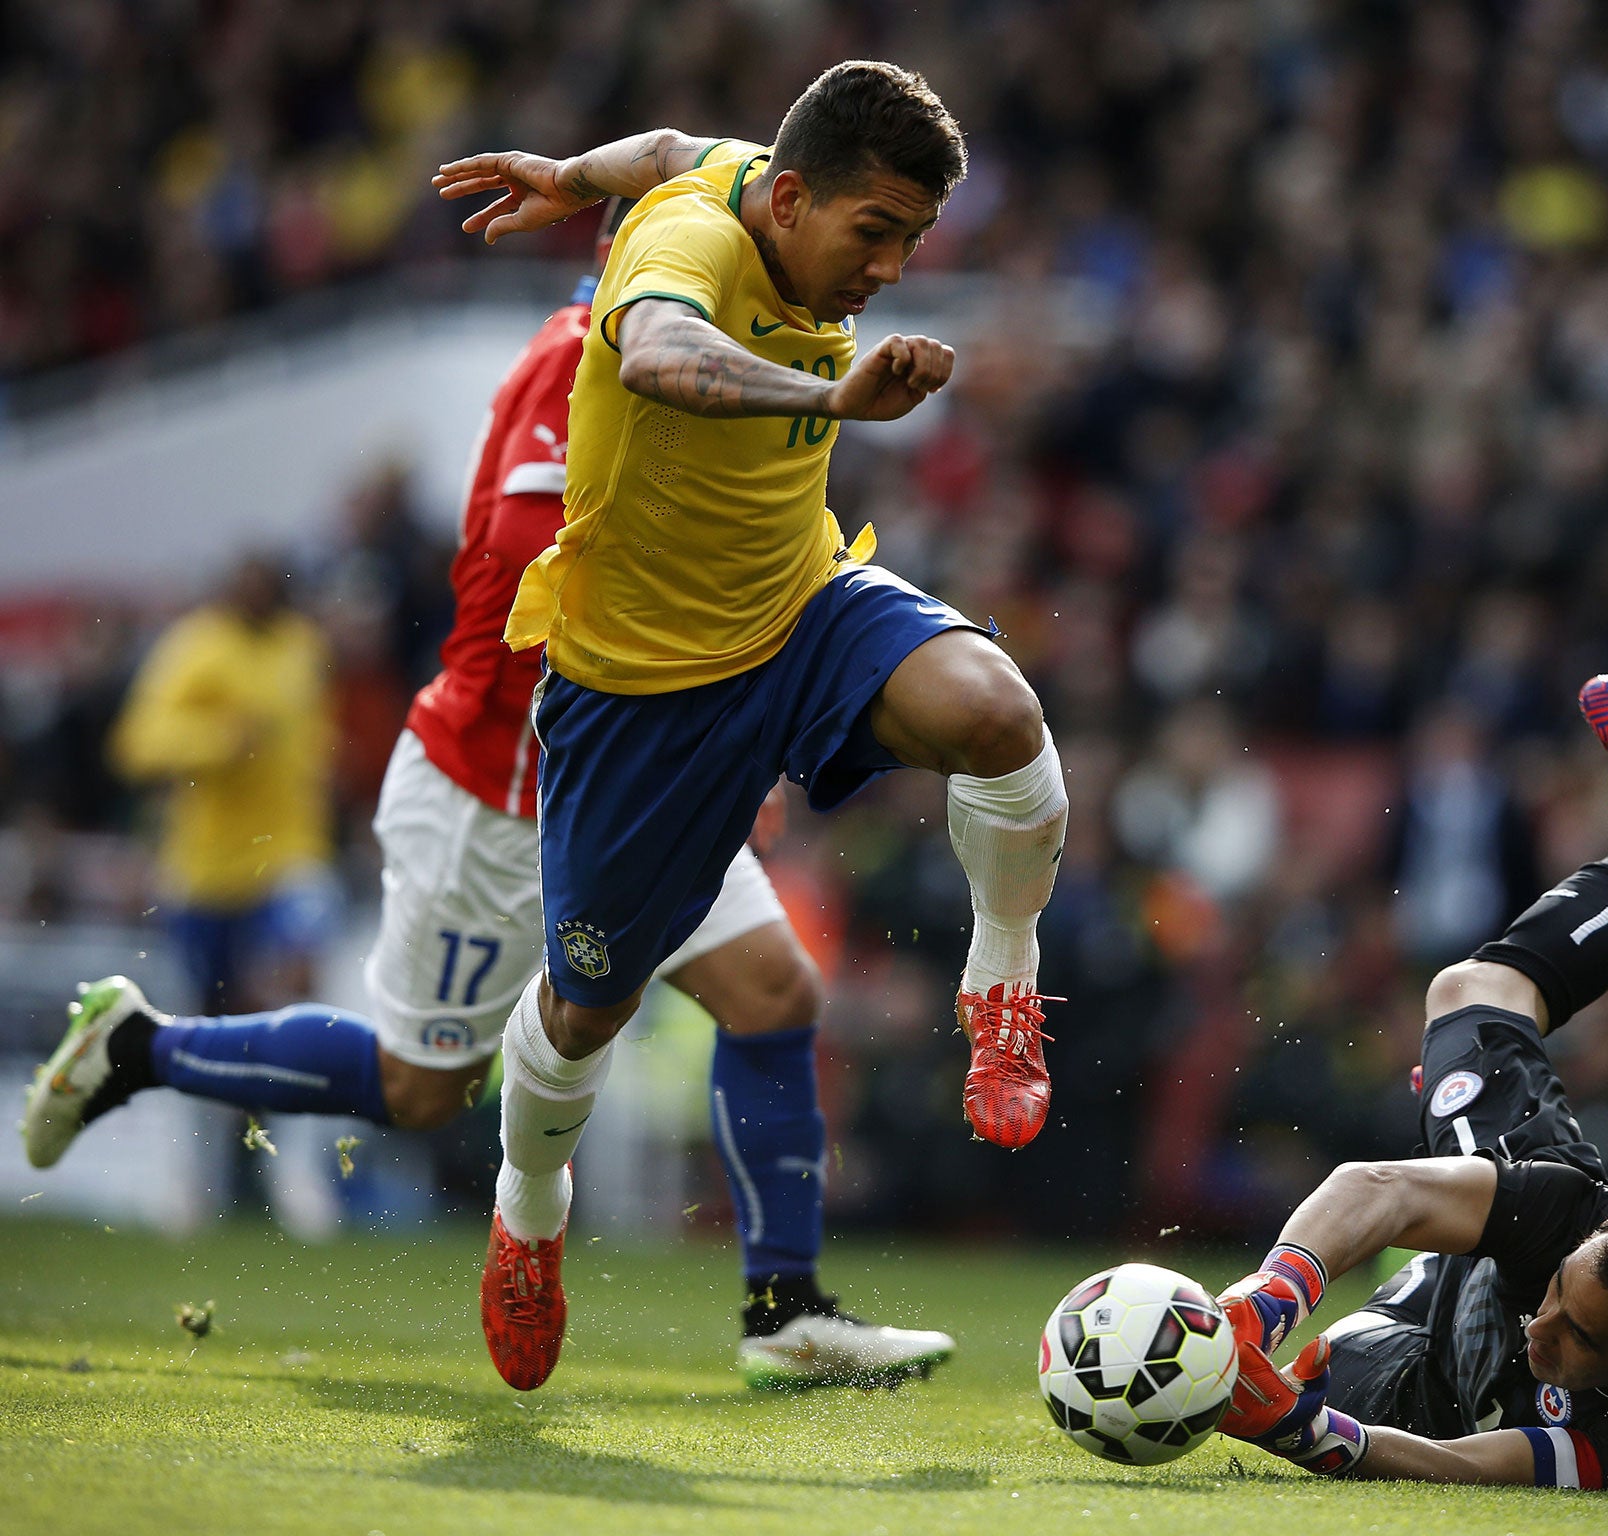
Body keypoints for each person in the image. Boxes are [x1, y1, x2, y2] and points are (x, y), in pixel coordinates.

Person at [20, 201, 953, 1392]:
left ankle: (784, 1309)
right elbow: (526, 556)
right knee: (421, 1088)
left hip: (644, 777)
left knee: (773, 991)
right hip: (503, 800)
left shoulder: (725, 358)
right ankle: (139, 1048)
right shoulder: (581, 359)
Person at [430, 60, 1068, 1392]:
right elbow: (660, 354)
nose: (889, 267)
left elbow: (664, 139)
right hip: (639, 692)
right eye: (873, 233)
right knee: (583, 1013)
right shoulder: (691, 245)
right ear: (790, 201)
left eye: (912, 240)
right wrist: (831, 401)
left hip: (798, 608)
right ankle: (527, 1218)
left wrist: (566, 175)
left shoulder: (726, 168)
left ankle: (999, 979)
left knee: (999, 717)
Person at [1211, 676, 1608, 1493]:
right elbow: (1377, 1188)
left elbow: (1454, 1464)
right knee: (1470, 993)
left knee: (1316, 1386)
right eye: (1560, 1295)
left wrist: (1298, 1430)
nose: (1542, 1328)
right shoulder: (1575, 1216)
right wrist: (1267, 1300)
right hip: (1489, 1255)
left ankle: (1380, 1324)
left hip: (1435, 1397)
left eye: (1578, 1335)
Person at [105, 554, 340, 1013]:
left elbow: (316, 734)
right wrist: (221, 740)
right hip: (208, 869)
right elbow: (137, 743)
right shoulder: (197, 646)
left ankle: (297, 1062)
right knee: (212, 1004)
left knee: (294, 973)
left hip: (290, 849)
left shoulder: (303, 646)